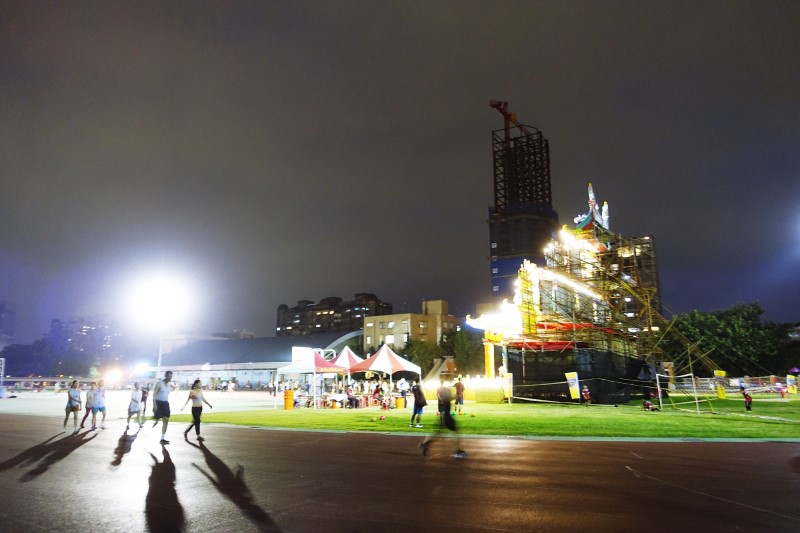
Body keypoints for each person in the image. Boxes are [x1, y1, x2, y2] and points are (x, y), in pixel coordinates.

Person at [420, 379, 464, 458]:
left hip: (443, 414)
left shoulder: (441, 390)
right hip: (446, 415)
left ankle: (425, 444)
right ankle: (458, 451)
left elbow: (445, 398)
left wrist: (455, 396)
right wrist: (455, 396)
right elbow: (445, 398)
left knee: (437, 432)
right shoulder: (442, 390)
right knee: (455, 431)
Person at [152, 370, 174, 444]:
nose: (170, 378)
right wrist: (154, 405)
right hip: (159, 403)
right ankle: (156, 419)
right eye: (169, 376)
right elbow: (154, 394)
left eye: (171, 376)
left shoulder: (169, 386)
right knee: (163, 418)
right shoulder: (159, 384)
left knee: (166, 420)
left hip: (165, 404)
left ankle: (162, 438)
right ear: (166, 376)